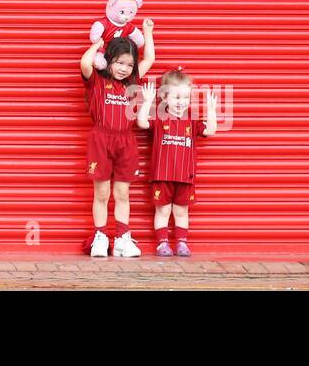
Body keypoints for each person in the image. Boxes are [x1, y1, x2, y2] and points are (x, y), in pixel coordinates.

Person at [81, 21, 156, 258]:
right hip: (101, 139)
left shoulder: (132, 83)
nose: (124, 68)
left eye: (129, 64)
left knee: (123, 194)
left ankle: (123, 238)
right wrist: (98, 46)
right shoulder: (98, 82)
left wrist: (148, 33)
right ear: (108, 61)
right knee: (101, 193)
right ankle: (100, 237)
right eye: (119, 63)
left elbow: (149, 60)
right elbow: (84, 63)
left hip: (126, 142)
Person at [137, 69, 218, 257]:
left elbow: (210, 130)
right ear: (165, 97)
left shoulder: (192, 119)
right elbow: (141, 122)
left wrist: (211, 110)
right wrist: (147, 102)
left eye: (185, 98)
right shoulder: (159, 117)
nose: (181, 102)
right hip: (162, 174)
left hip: (185, 175)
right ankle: (162, 243)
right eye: (177, 98)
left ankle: (182, 243)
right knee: (163, 210)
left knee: (181, 211)